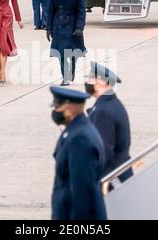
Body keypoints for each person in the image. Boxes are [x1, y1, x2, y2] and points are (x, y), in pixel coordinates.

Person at [50, 86, 107, 220]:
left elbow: (82, 191)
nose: (55, 111)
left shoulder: (79, 139)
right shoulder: (79, 128)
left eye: (58, 107)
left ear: (69, 110)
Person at [86, 62, 133, 184]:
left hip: (111, 179)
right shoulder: (111, 103)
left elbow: (104, 151)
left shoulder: (103, 111)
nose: (88, 82)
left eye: (91, 78)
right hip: (118, 174)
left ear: (102, 82)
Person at [47, 0, 87, 86]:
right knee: (61, 54)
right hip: (58, 26)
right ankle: (65, 78)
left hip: (72, 26)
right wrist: (48, 28)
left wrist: (80, 27)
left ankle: (72, 69)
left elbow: (81, 11)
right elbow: (50, 11)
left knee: (74, 53)